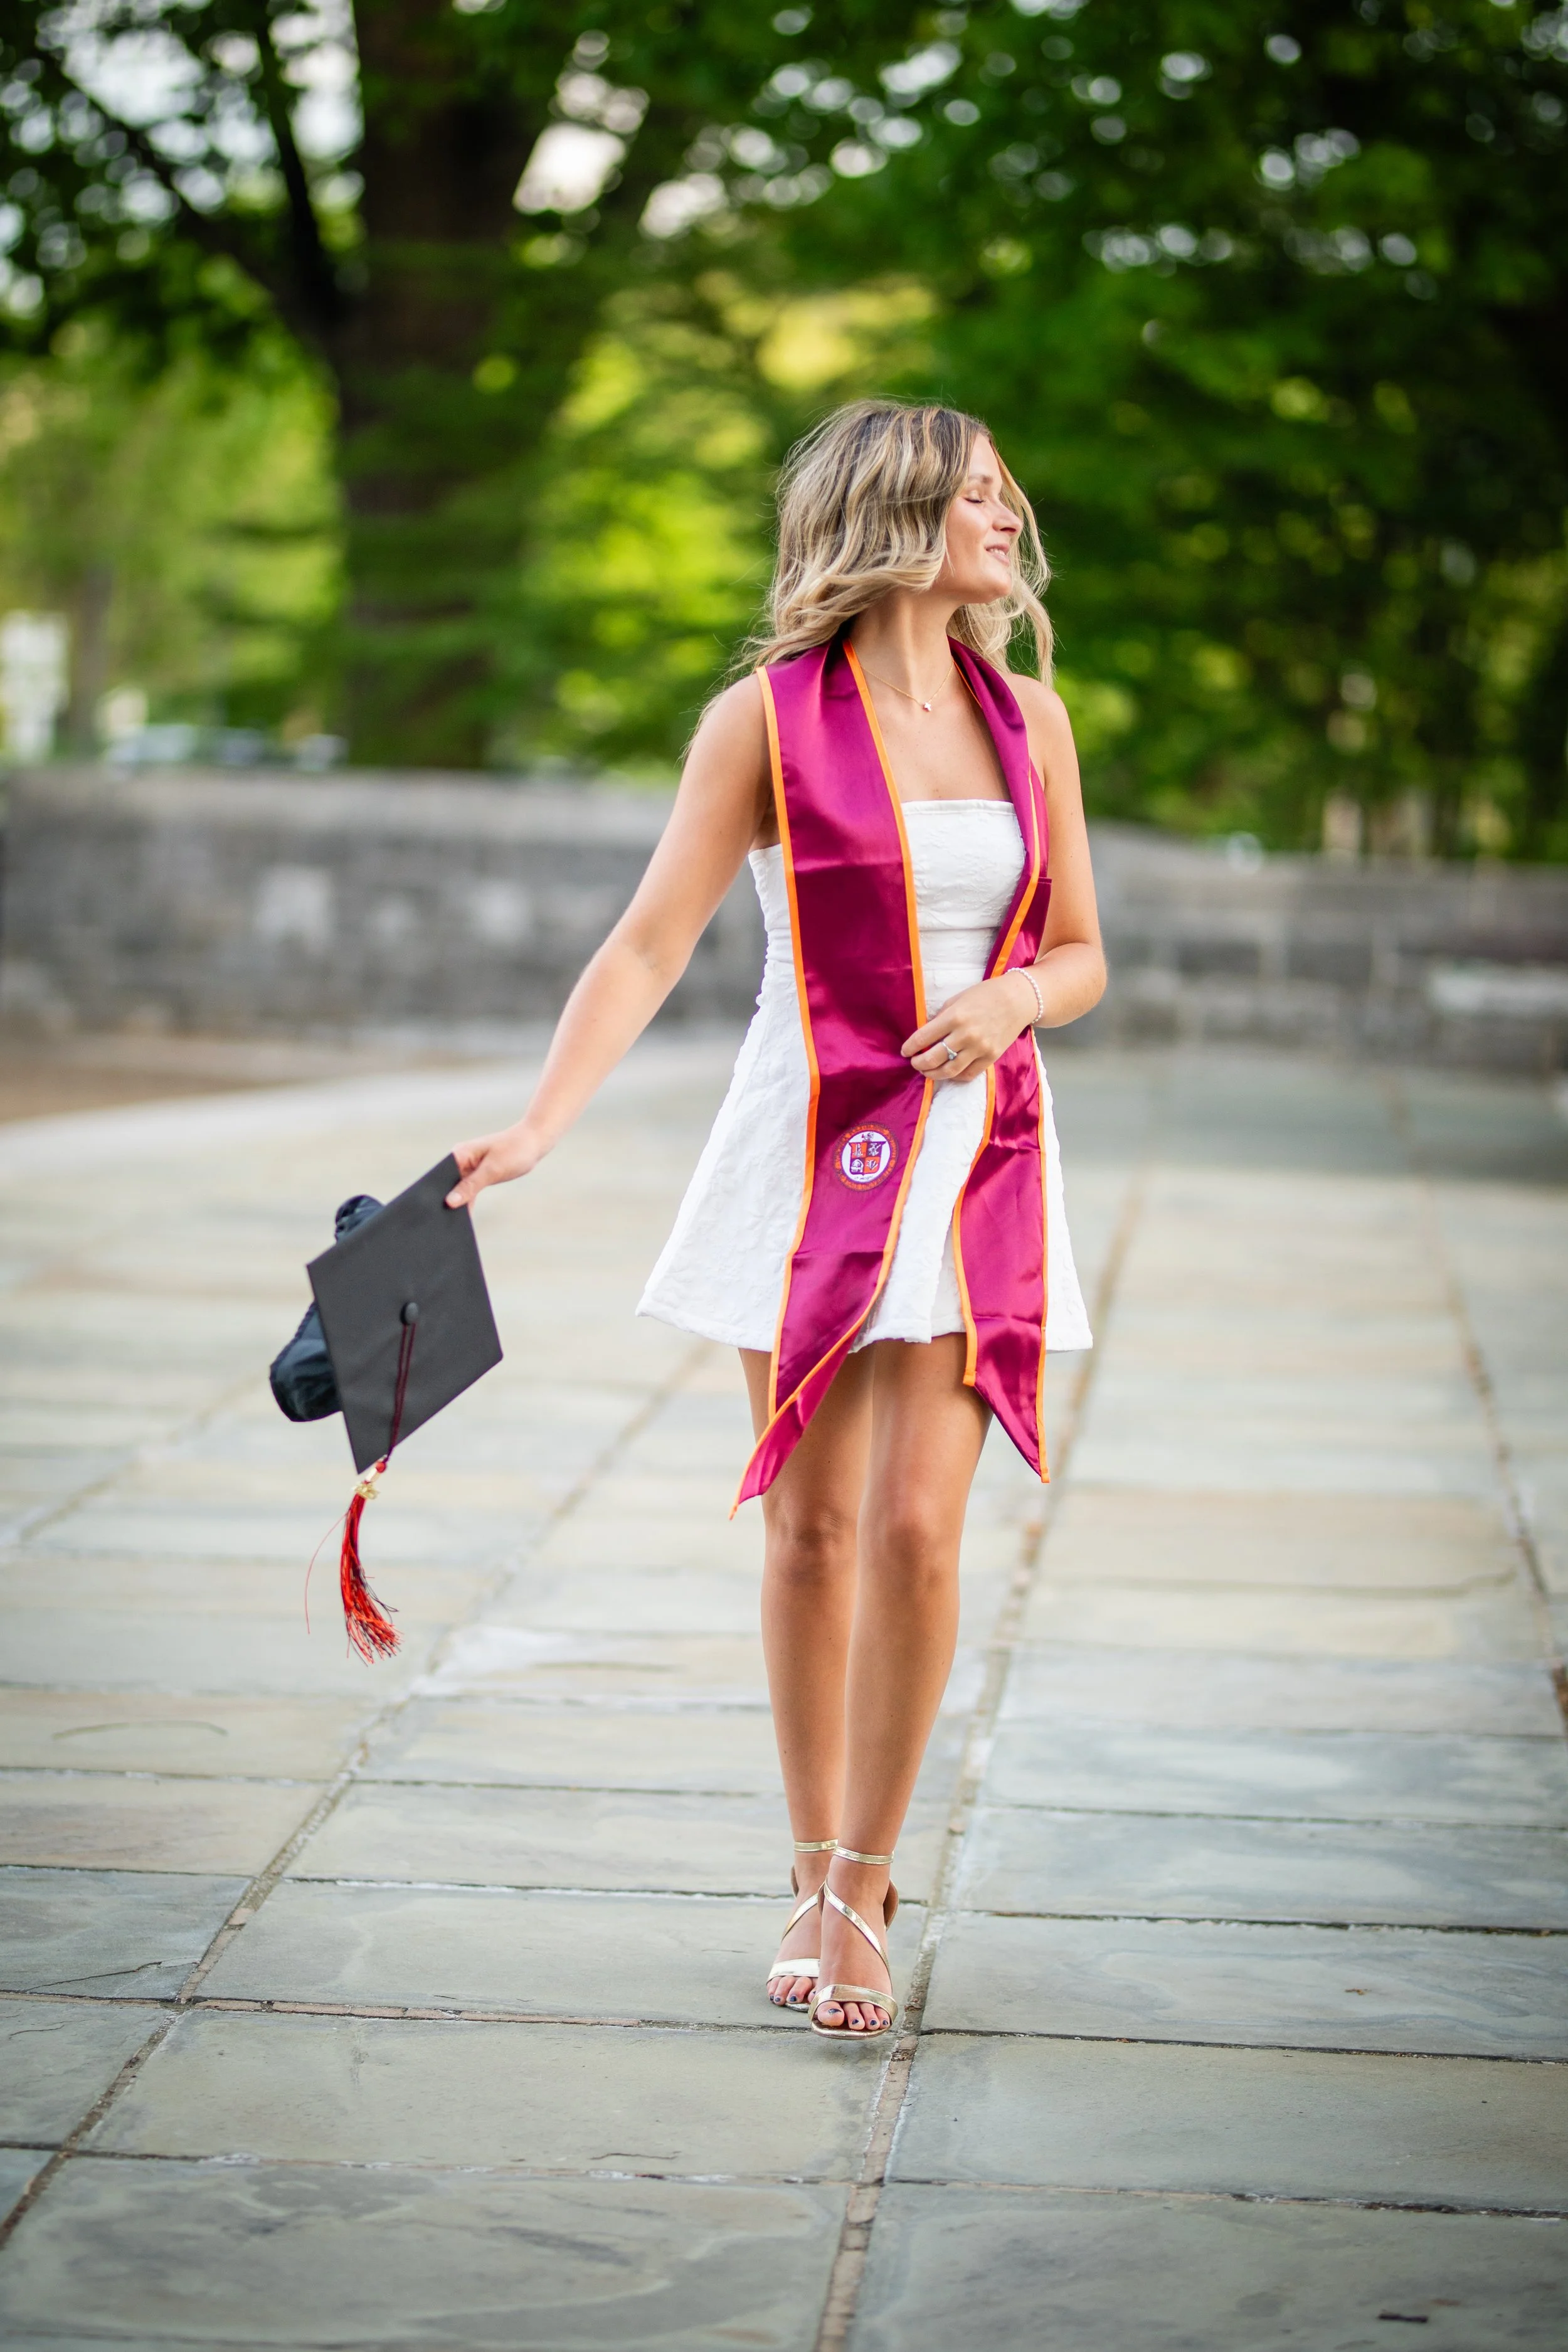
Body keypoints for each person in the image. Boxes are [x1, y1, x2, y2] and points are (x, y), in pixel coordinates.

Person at [447, 400, 1105, 2042]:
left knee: (915, 1531)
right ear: (894, 517)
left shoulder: (1030, 719)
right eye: (977, 499)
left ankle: (874, 1880)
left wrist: (1014, 991)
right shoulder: (762, 718)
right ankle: (811, 1867)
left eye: (1005, 499)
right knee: (808, 1529)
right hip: (802, 1151)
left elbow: (1086, 950)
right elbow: (648, 940)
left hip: (974, 1162)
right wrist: (542, 1121)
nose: (1005, 522)